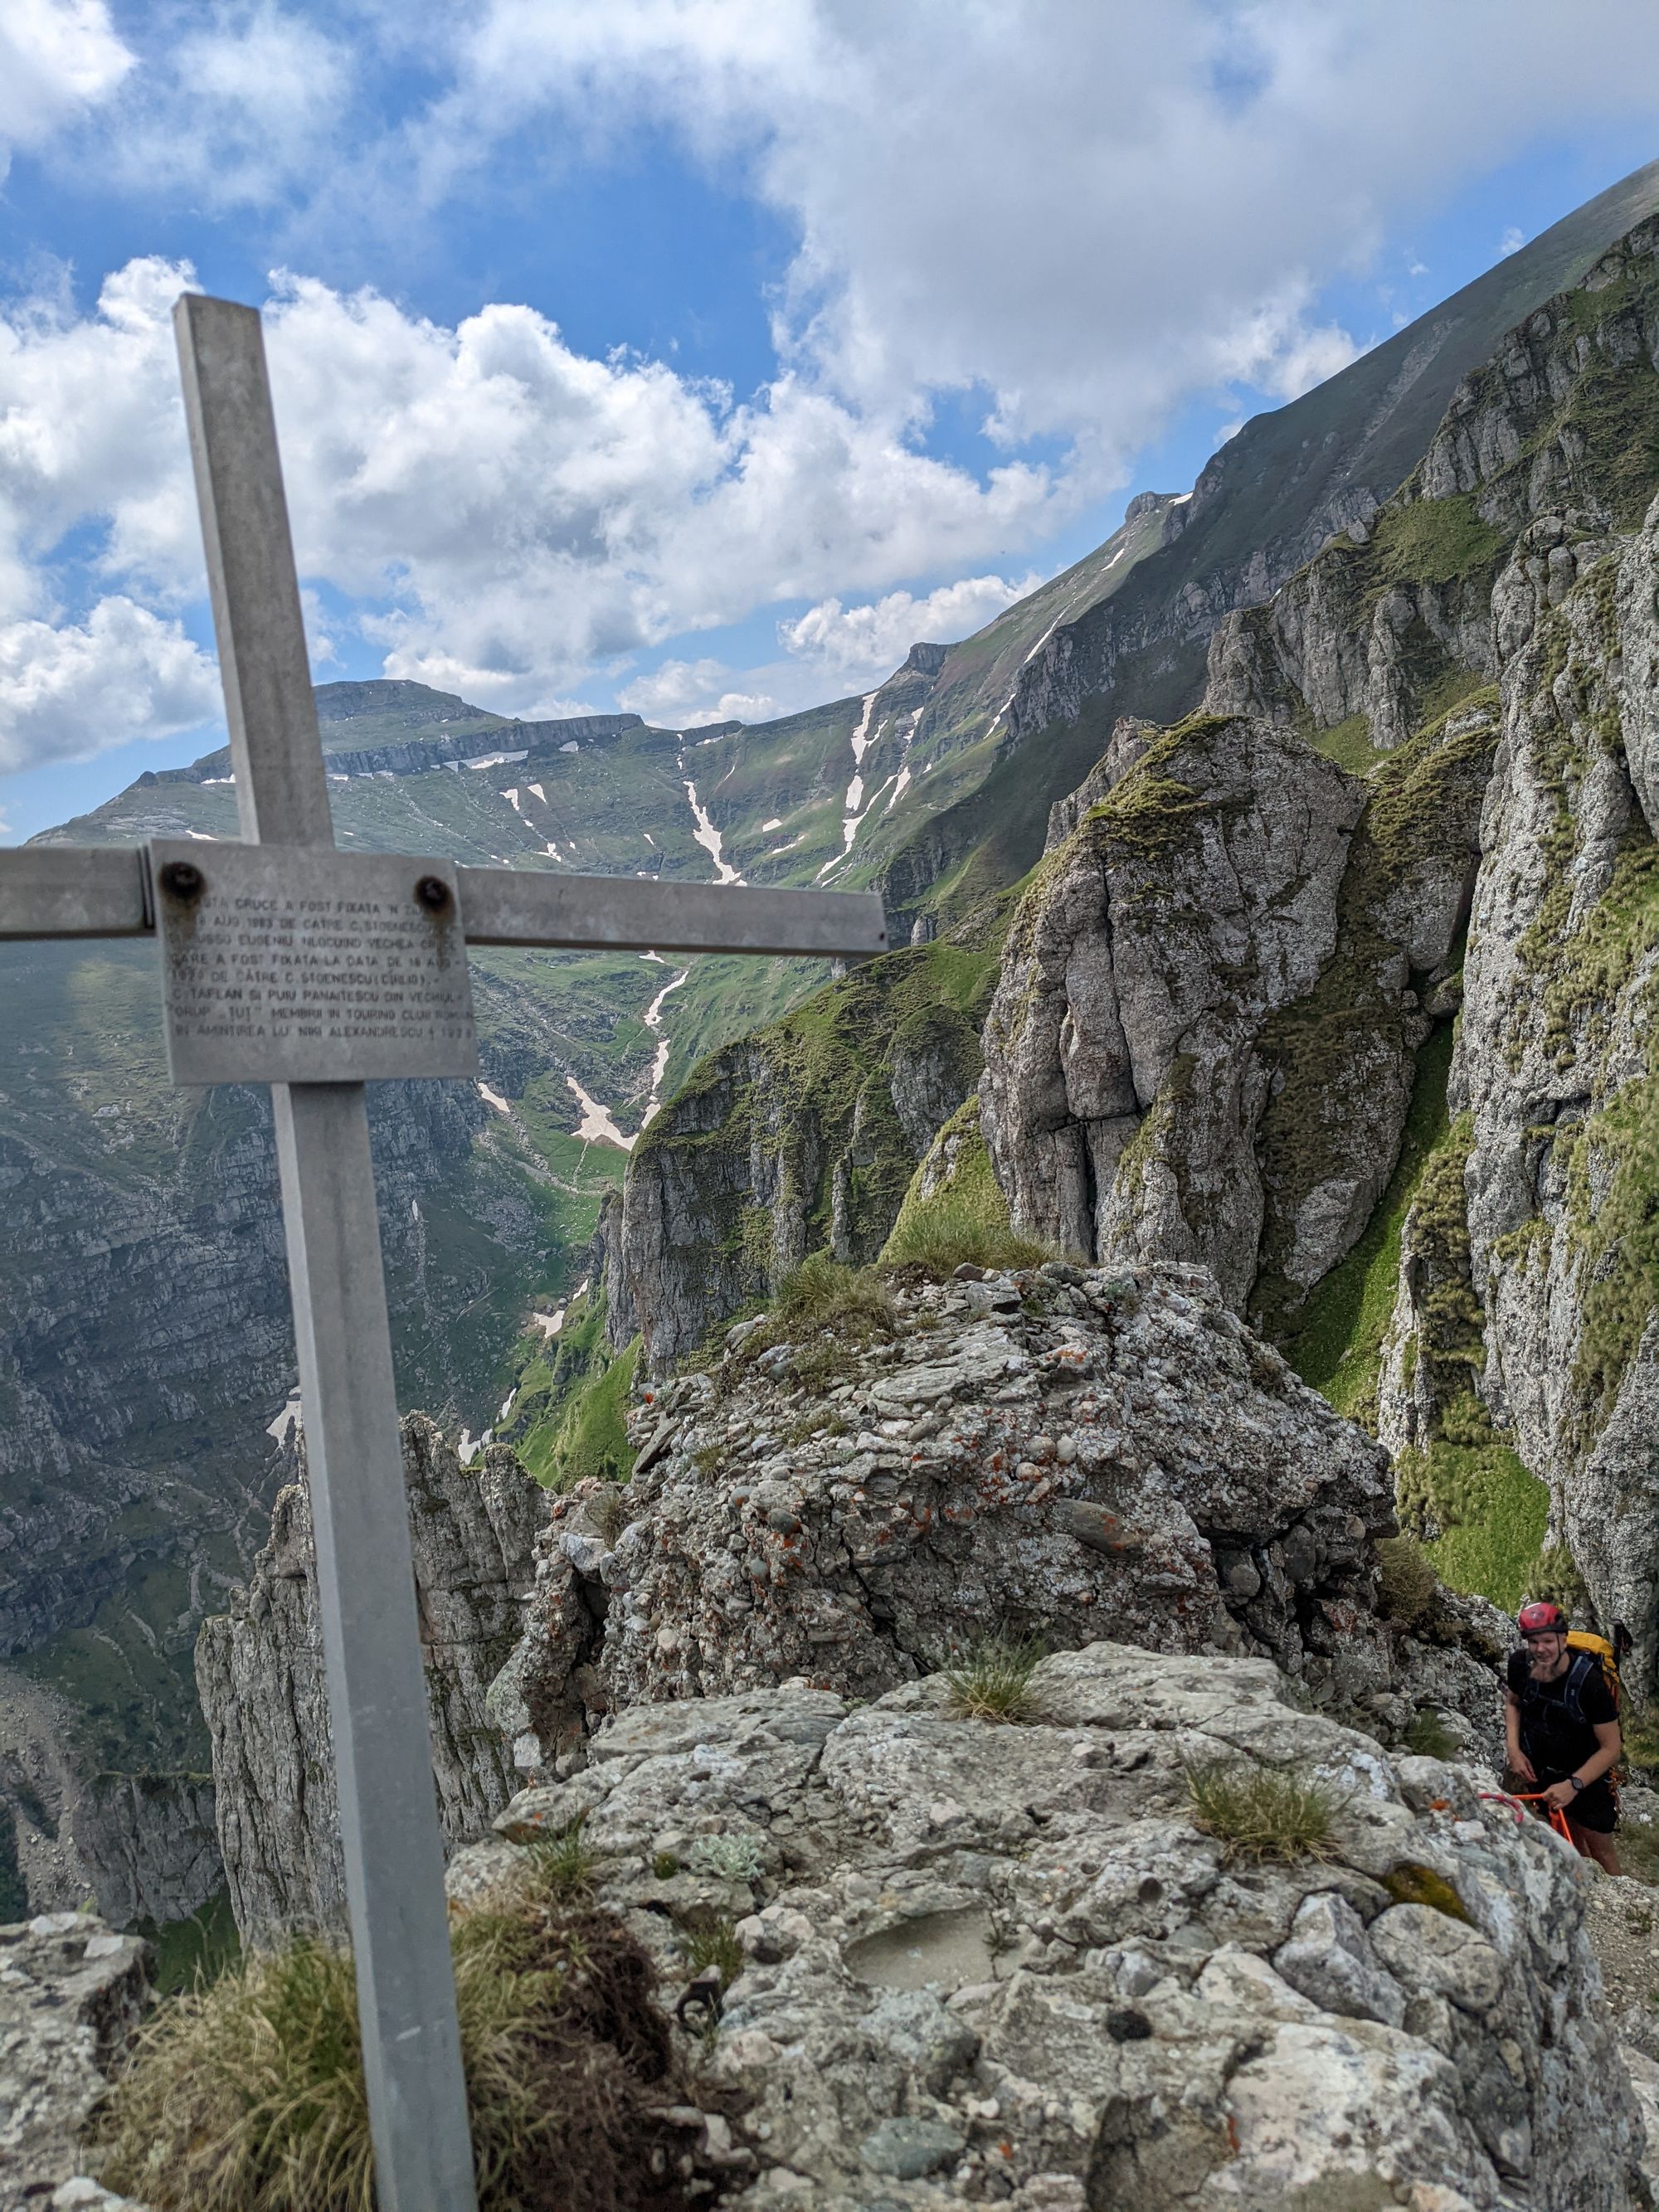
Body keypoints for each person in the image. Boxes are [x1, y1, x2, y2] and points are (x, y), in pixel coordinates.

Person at [1504, 1599, 1622, 1874]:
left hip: (1587, 1780)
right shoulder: (1520, 1665)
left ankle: (1621, 1900)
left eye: (1547, 1641)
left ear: (1563, 1639)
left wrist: (1574, 1785)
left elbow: (1610, 1747)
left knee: (1600, 1849)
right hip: (1544, 1773)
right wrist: (1514, 1749)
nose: (1540, 1649)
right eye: (1533, 1642)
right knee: (1569, 1841)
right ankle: (1586, 1886)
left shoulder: (1589, 1683)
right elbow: (1513, 1702)